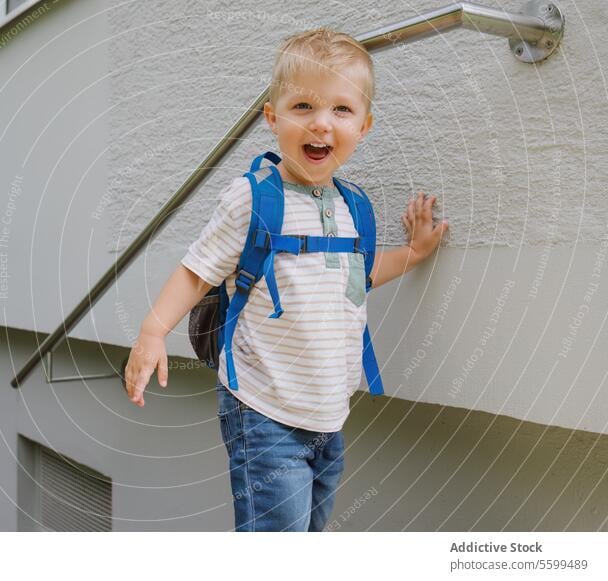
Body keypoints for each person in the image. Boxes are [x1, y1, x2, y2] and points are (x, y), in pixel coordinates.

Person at [123, 27, 449, 531]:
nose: (322, 123)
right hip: (263, 410)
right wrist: (151, 331)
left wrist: (413, 252)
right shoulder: (251, 198)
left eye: (341, 110)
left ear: (364, 126)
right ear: (273, 119)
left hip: (329, 413)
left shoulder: (353, 206)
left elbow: (357, 276)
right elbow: (197, 271)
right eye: (303, 107)